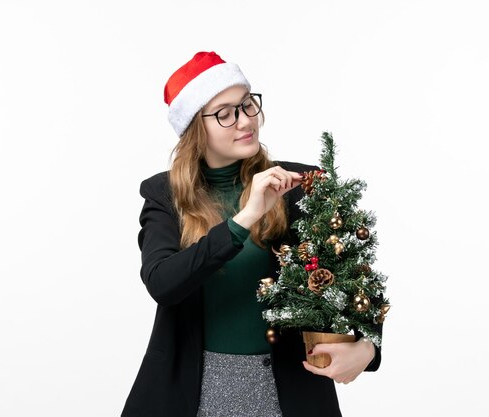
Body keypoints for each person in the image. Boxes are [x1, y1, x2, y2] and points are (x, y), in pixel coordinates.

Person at [121, 51, 382, 417]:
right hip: (194, 392)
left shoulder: (299, 185)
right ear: (197, 128)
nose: (244, 121)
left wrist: (368, 349)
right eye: (225, 113)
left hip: (289, 391)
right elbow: (162, 283)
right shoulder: (164, 196)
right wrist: (243, 219)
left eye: (247, 105)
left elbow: (358, 282)